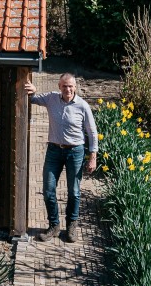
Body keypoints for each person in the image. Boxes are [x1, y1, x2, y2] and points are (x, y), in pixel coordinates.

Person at [24, 73, 97, 243]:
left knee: (74, 192)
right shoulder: (51, 99)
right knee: (48, 190)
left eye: (70, 86)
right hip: (54, 151)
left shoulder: (83, 106)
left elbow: (92, 132)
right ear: (59, 87)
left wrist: (92, 156)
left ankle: (71, 226)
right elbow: (34, 98)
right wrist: (33, 90)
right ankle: (54, 226)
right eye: (64, 86)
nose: (68, 89)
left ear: (75, 87)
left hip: (75, 152)